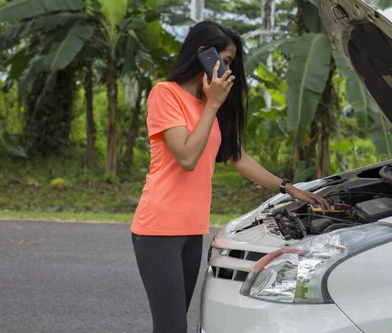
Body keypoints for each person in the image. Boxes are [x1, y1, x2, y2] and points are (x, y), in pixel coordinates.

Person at [130, 21, 329, 333]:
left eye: (231, 63)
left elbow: (236, 157)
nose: (228, 69)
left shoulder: (209, 101)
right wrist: (212, 104)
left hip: (192, 228)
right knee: (171, 328)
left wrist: (289, 188)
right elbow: (186, 157)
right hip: (158, 228)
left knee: (174, 325)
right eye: (223, 60)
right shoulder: (165, 94)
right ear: (202, 54)